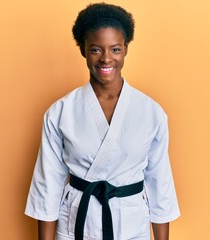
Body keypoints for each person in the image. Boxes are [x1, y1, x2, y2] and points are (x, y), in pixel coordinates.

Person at [25, 3, 180, 240]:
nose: (106, 59)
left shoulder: (151, 112)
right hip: (75, 225)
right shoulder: (60, 112)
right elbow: (47, 186)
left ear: (126, 49)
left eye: (115, 49)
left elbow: (161, 185)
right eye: (96, 49)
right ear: (83, 50)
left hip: (131, 226)